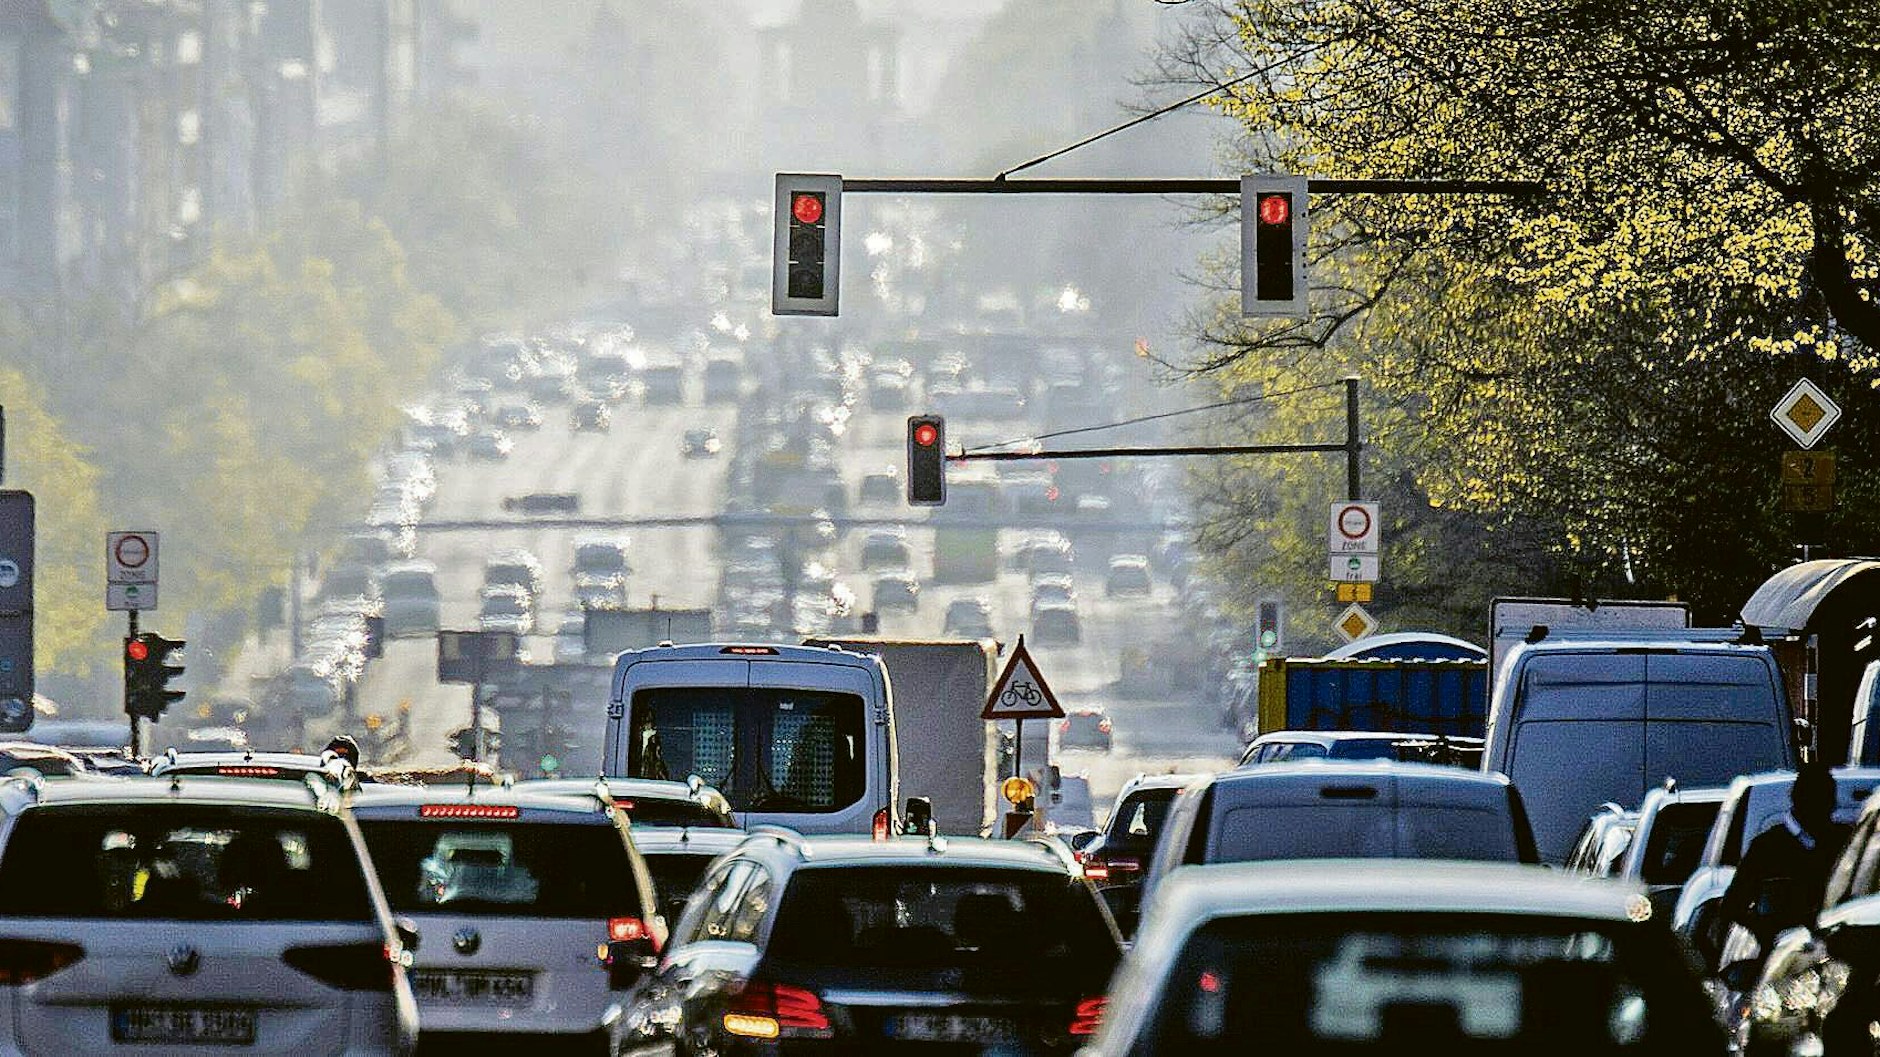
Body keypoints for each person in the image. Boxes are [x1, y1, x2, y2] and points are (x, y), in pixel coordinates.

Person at [1722, 764, 1846, 948]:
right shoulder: (1767, 848)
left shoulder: (1842, 842)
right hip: (1782, 955)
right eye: (1820, 802)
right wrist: (1767, 930)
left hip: (1835, 951)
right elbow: (1732, 906)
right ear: (1799, 800)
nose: (1828, 810)